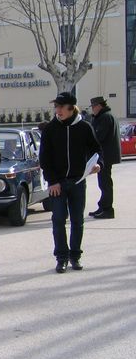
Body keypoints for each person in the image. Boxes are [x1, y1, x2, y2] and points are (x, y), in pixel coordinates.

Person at [39, 92, 102, 273]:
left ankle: (75, 256)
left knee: (77, 221)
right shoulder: (50, 129)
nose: (57, 111)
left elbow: (96, 149)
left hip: (77, 182)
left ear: (70, 108)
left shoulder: (84, 127)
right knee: (58, 220)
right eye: (56, 107)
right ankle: (61, 258)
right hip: (57, 184)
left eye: (60, 107)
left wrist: (98, 164)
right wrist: (52, 181)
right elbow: (45, 158)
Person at [88, 96, 120, 219]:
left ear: (99, 106)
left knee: (105, 183)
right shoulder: (106, 116)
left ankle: (107, 209)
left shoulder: (105, 117)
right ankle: (103, 206)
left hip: (105, 155)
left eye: (93, 107)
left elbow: (98, 136)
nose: (93, 110)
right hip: (106, 155)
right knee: (104, 183)